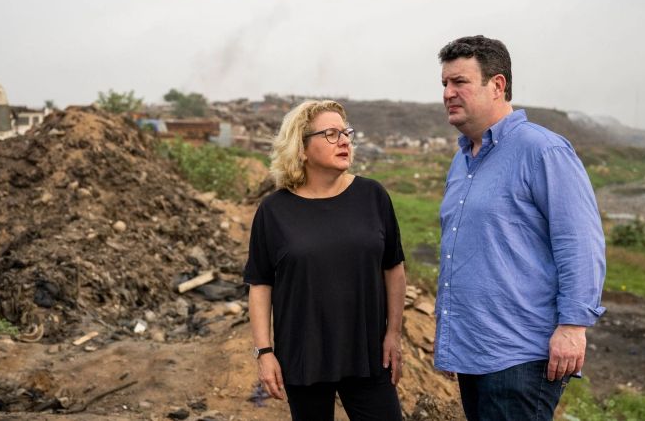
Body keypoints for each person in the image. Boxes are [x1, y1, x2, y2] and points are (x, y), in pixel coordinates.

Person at [434, 35, 606, 421]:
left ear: (497, 85)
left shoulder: (542, 150)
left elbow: (579, 242)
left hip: (520, 356)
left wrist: (573, 326)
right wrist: (450, 342)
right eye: (444, 84)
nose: (448, 93)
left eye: (459, 81)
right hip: (473, 353)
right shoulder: (462, 160)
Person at [244, 100, 406, 421]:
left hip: (368, 354)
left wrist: (394, 334)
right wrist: (264, 352)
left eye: (346, 133)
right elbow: (261, 284)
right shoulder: (274, 210)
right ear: (301, 148)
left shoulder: (373, 196)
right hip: (304, 357)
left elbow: (394, 268)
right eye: (331, 134)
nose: (345, 140)